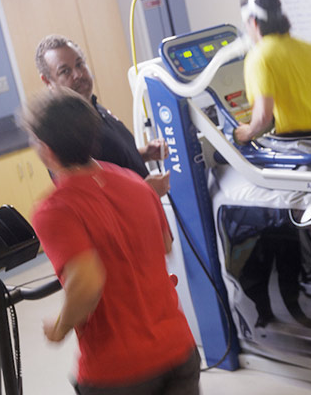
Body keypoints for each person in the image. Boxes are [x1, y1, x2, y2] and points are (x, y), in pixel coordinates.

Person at [21, 88, 199, 394]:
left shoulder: (54, 209)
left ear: (46, 150)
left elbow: (87, 282)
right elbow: (165, 245)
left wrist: (60, 328)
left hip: (119, 371)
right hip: (178, 349)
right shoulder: (136, 183)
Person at [35, 34, 170, 196]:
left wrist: (145, 154)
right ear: (47, 81)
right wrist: (146, 190)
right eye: (65, 71)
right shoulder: (64, 135)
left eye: (79, 64)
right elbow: (91, 196)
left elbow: (110, 163)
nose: (78, 74)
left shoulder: (92, 108)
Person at [233, 0, 311, 149]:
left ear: (254, 22)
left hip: (298, 143)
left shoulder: (258, 57)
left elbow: (263, 116)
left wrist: (247, 132)